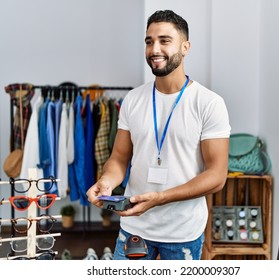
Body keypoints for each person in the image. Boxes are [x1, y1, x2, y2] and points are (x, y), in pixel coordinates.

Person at [86, 10, 231, 260]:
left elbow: (217, 176)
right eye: (149, 41)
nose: (155, 49)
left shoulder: (209, 103)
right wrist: (107, 181)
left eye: (165, 41)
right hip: (135, 227)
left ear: (185, 47)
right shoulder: (133, 99)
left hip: (182, 232)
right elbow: (120, 158)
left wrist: (160, 198)